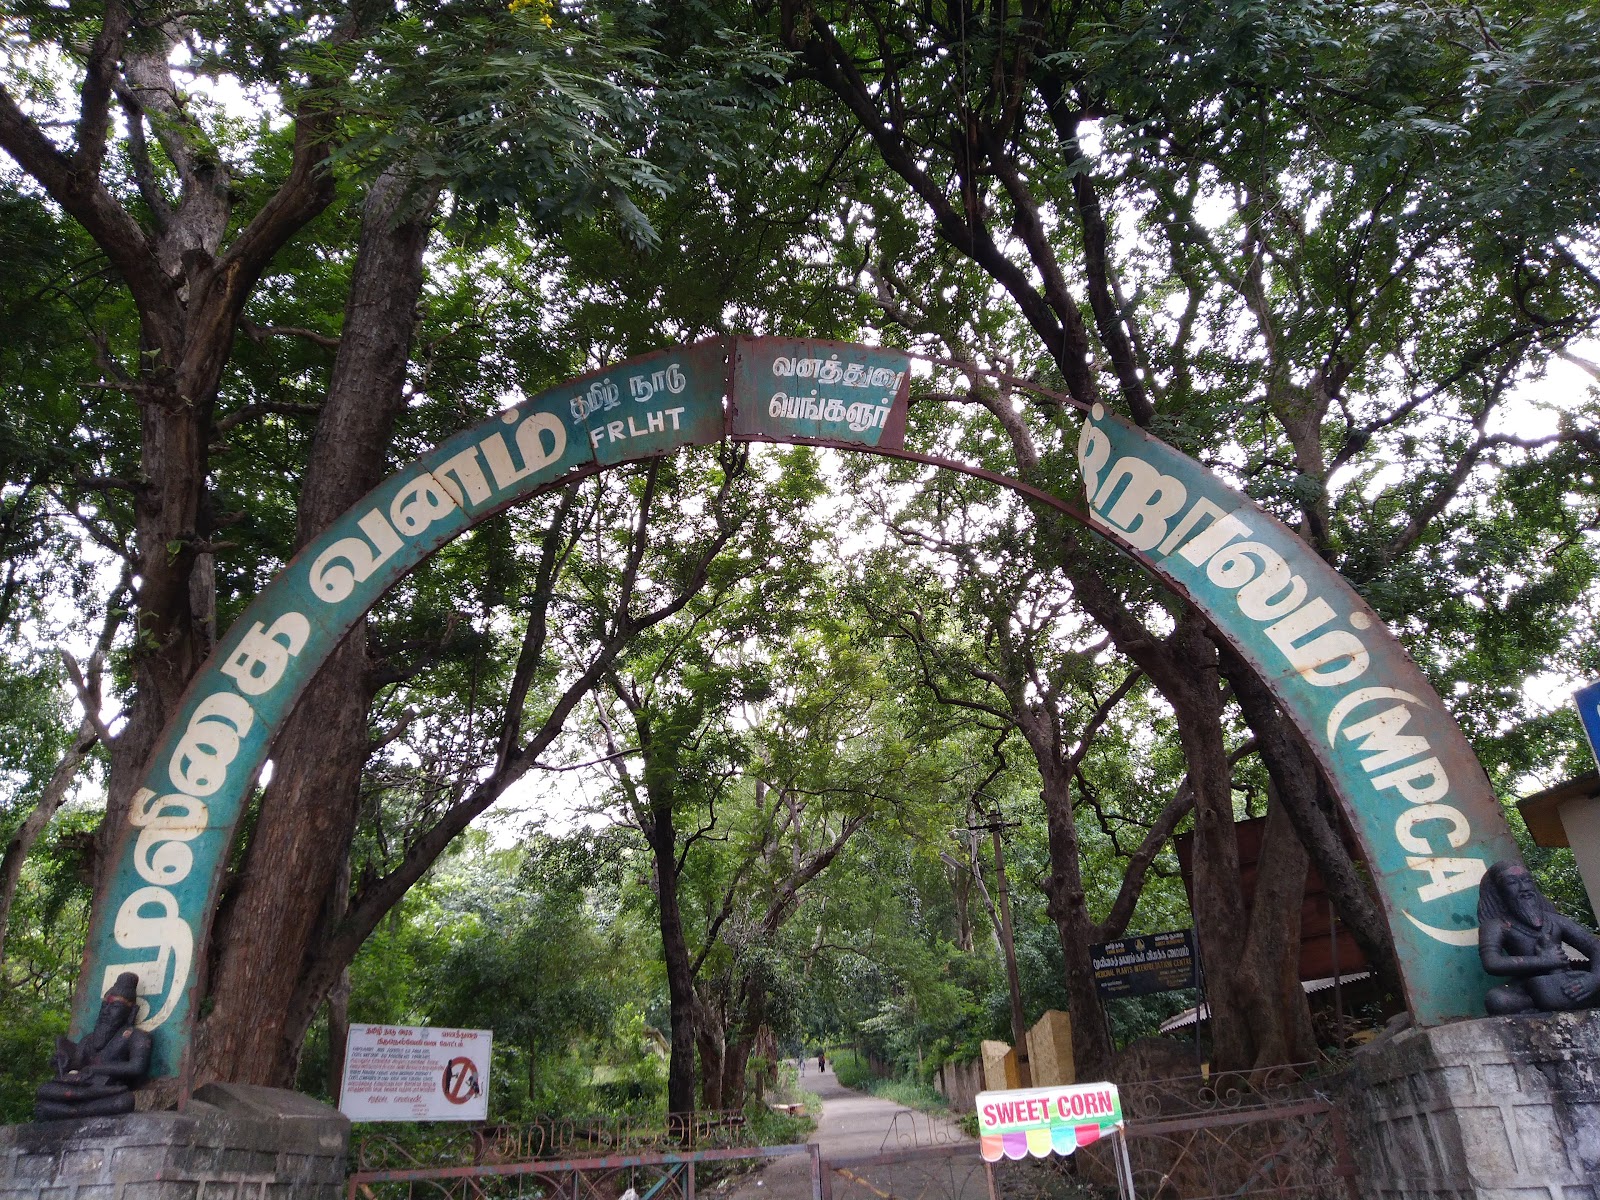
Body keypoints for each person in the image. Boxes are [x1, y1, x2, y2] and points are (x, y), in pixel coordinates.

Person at [1478, 860, 1600, 1015]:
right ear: (1499, 891)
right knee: (1497, 1000)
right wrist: (1543, 961)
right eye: (1512, 882)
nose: (1524, 888)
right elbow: (1492, 962)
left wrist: (1595, 979)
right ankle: (1540, 1006)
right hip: (1527, 987)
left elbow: (1595, 946)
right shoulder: (1496, 925)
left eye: (1527, 880)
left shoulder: (1554, 920)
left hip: (1564, 981)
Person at [35, 972, 153, 1119]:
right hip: (83, 1087)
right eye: (105, 1006)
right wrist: (63, 1061)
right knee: (44, 1090)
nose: (106, 1011)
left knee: (124, 1101)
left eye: (115, 1006)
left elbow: (137, 1067)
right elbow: (76, 1065)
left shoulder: (136, 1036)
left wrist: (95, 1069)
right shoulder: (88, 1040)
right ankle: (74, 1109)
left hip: (108, 1091)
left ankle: (71, 1111)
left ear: (131, 1012)